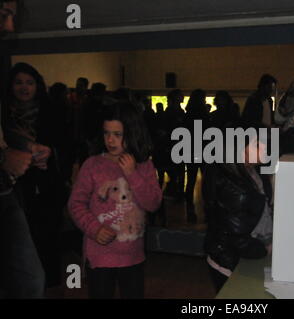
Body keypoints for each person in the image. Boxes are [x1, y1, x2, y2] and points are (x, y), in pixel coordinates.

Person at [68, 102, 162, 299]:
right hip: (100, 256)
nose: (110, 140)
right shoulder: (92, 165)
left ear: (133, 133)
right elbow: (75, 204)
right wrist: (94, 228)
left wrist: (132, 173)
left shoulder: (144, 166)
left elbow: (153, 203)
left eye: (118, 134)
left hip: (133, 256)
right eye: (106, 133)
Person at [3, 62, 65, 289]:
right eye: (18, 82)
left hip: (47, 185)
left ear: (37, 86)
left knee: (47, 236)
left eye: (29, 82)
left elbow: (67, 145)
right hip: (14, 187)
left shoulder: (51, 111)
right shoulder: (4, 117)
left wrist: (51, 153)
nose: (24, 88)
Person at [203, 122, 273, 293]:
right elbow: (236, 238)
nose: (264, 147)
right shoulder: (231, 185)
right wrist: (264, 249)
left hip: (249, 253)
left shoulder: (252, 171)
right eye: (257, 144)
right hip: (230, 261)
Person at [184, 89, 210, 223]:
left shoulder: (188, 114)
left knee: (191, 181)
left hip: (191, 150)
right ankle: (207, 210)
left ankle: (189, 209)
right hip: (203, 150)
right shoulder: (204, 114)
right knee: (206, 181)